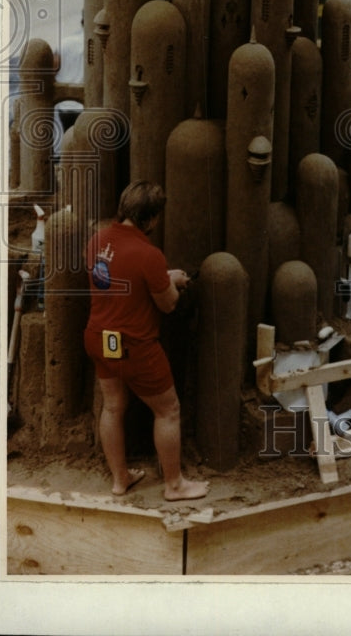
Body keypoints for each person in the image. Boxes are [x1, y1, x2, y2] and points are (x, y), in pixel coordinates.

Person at [84, 180, 209, 501]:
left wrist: (160, 278)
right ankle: (174, 485)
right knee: (168, 411)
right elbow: (167, 304)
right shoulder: (149, 255)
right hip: (135, 346)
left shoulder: (96, 241)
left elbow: (117, 280)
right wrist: (172, 281)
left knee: (112, 407)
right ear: (151, 218)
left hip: (100, 338)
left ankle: (120, 479)